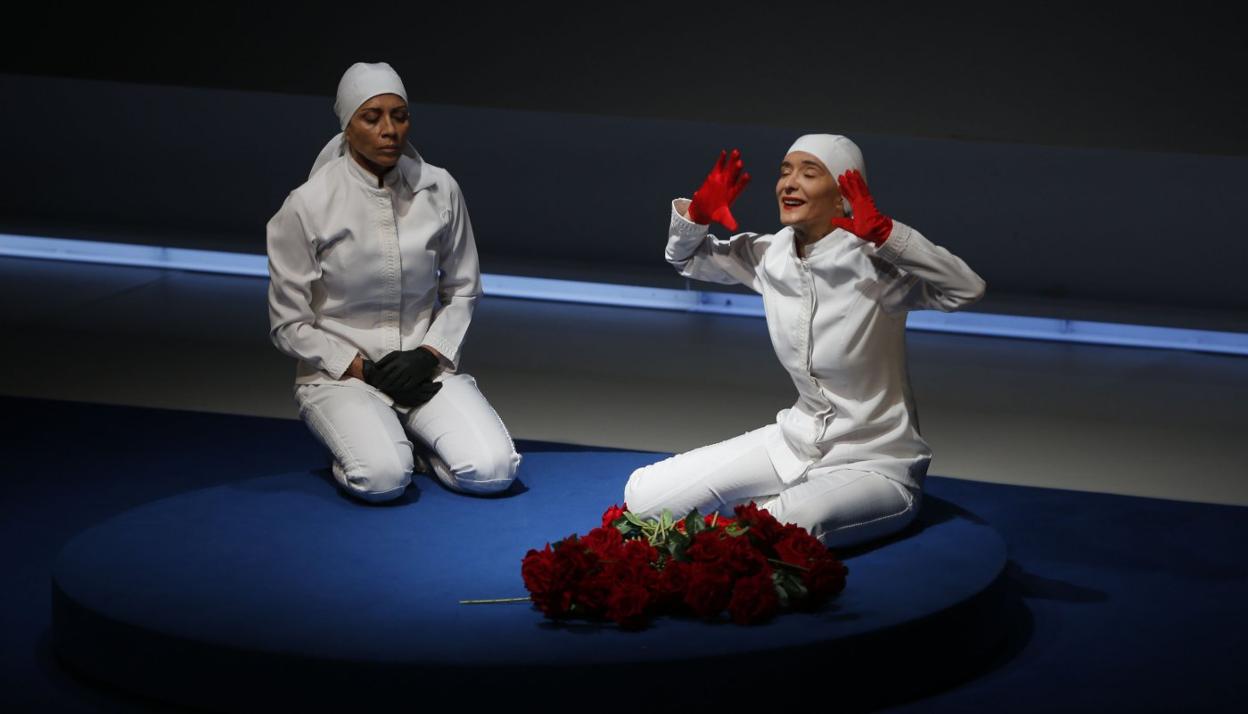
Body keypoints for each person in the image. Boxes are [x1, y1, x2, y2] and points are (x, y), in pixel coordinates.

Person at [623, 135, 986, 548]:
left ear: (842, 196)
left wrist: (888, 235)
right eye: (785, 172)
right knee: (644, 497)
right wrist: (698, 215)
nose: (789, 183)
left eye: (809, 173)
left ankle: (784, 510)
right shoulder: (770, 254)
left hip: (875, 462)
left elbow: (966, 289)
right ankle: (772, 506)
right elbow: (687, 258)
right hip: (792, 443)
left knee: (780, 529)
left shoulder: (875, 264)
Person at [266, 62, 520, 503]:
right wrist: (362, 368)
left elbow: (463, 288)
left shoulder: (440, 189)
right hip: (340, 377)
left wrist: (428, 353)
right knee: (382, 481)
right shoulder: (307, 205)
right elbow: (289, 324)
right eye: (372, 117)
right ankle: (374, 444)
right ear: (348, 126)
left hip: (422, 372)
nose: (389, 130)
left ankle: (414, 440)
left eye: (399, 116)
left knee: (493, 472)